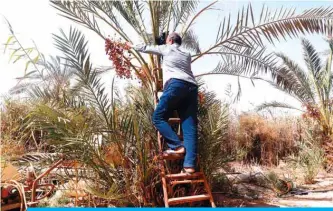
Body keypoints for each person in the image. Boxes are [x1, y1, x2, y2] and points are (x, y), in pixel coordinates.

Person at [126, 32, 198, 174]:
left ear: (170, 41)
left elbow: (146, 47)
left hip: (175, 85)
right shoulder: (187, 54)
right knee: (189, 127)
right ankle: (189, 165)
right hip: (191, 87)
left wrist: (131, 46)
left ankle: (177, 146)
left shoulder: (167, 48)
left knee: (158, 117)